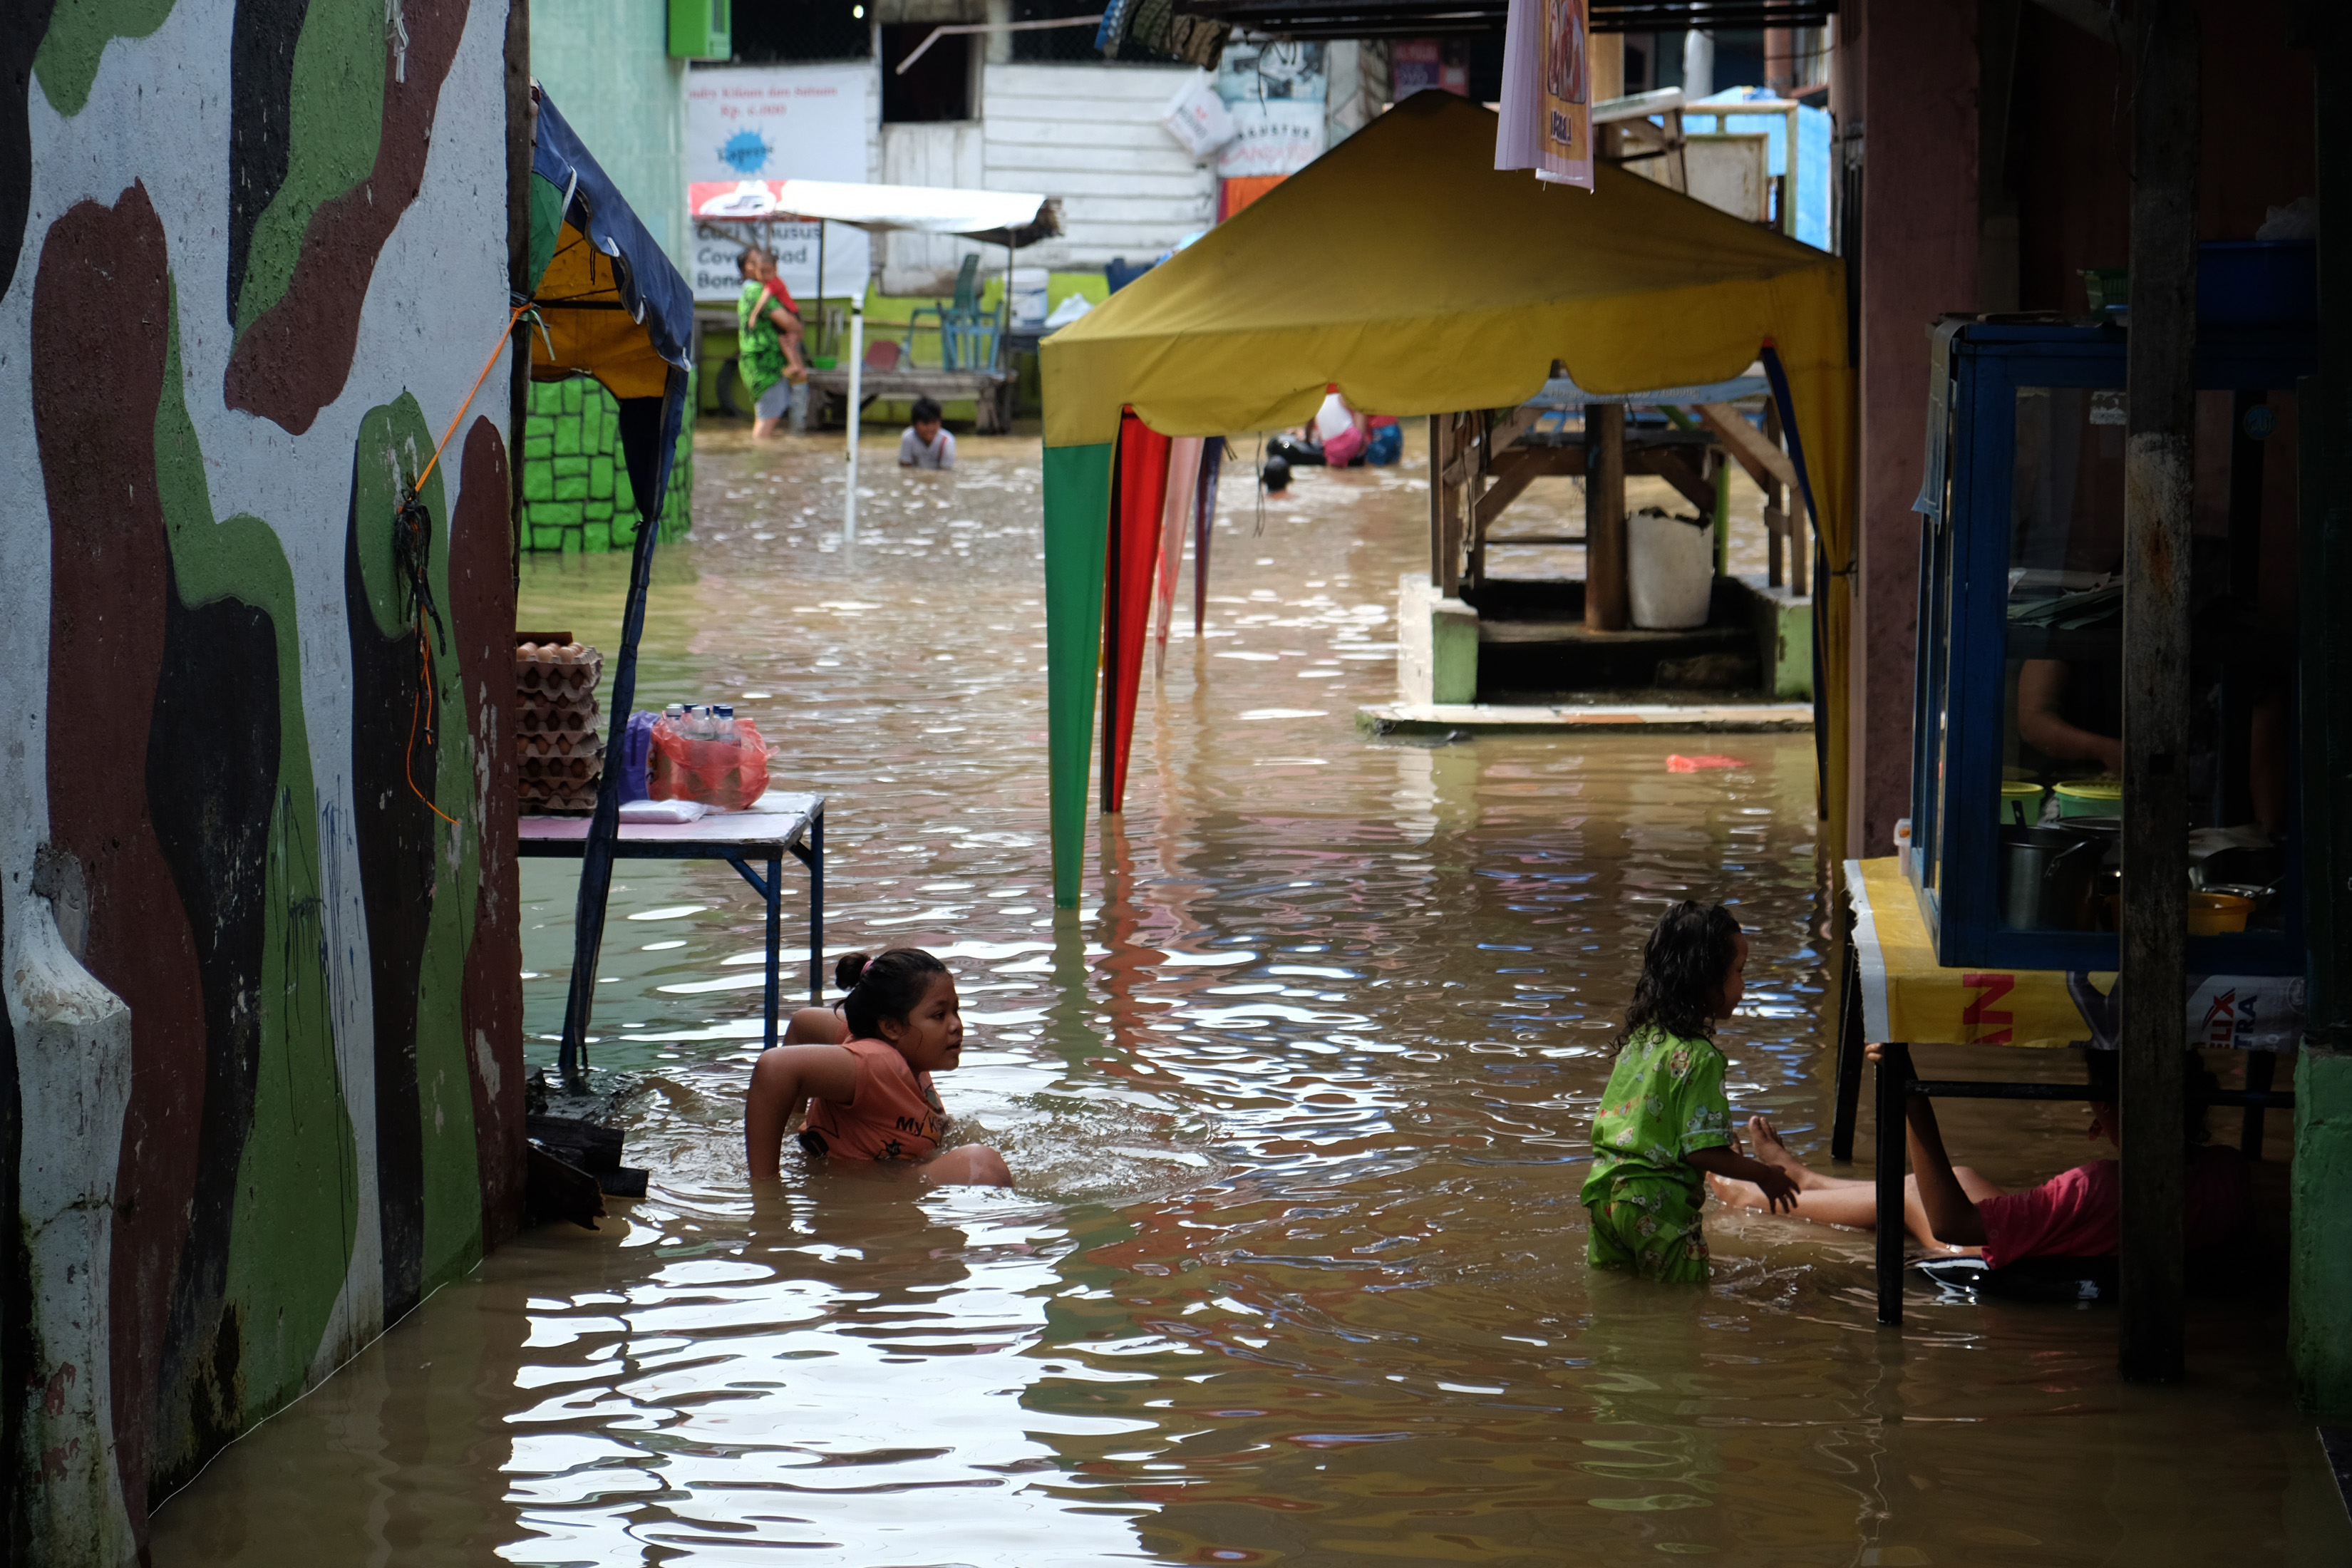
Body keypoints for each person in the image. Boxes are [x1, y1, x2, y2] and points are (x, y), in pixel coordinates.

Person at [1709, 1047, 2251, 1267]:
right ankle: (1805, 1177)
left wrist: (1912, 1100)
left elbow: (1955, 1222)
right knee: (1961, 1175)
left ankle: (1751, 1192)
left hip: (1991, 1260)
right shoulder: (2227, 1172)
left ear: (2106, 1107)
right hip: (2071, 1241)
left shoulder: (2098, 1186)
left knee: (1915, 1194)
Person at [1581, 902, 1800, 1284]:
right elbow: (1702, 1152)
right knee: (1685, 1304)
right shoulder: (1700, 1057)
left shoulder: (1641, 1042)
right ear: (1706, 980)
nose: (1744, 984)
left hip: (1606, 1196)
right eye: (1738, 972)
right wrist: (1764, 1175)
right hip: (1658, 1209)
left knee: (1615, 1296)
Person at [745, 947, 1012, 1187]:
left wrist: (794, 1122)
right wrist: (766, 1189)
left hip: (873, 1170)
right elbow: (774, 1066)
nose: (956, 1025)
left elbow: (803, 1023)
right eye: (939, 1016)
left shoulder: (900, 1049)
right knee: (983, 1165)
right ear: (892, 1027)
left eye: (956, 1011)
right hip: (866, 1188)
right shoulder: (878, 1062)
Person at [736, 246, 808, 440]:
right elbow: (788, 322)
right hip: (764, 364)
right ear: (746, 271)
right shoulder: (756, 290)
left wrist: (797, 331)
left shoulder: (766, 287)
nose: (759, 266)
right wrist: (798, 329)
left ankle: (763, 463)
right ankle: (760, 462)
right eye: (753, 262)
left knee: (771, 416)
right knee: (768, 418)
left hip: (768, 362)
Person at [899, 396, 956, 469]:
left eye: (934, 422)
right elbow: (905, 469)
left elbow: (945, 473)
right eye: (925, 423)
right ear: (914, 424)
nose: (931, 428)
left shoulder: (947, 441)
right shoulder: (908, 438)